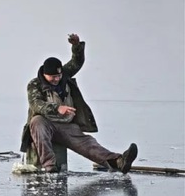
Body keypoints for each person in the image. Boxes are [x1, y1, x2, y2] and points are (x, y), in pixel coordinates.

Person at [20, 34, 138, 173]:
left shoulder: (65, 75)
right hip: (45, 124)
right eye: (53, 76)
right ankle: (49, 165)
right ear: (45, 74)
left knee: (87, 143)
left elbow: (77, 62)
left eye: (58, 76)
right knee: (36, 121)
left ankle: (117, 161)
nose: (56, 79)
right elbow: (36, 104)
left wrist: (76, 46)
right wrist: (57, 108)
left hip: (65, 125)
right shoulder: (34, 84)